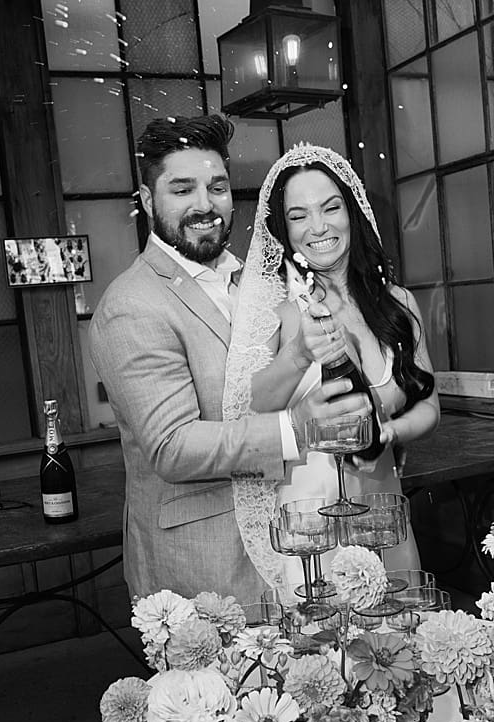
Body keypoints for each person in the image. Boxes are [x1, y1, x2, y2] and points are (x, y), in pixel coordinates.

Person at [88, 115, 370, 609]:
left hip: (292, 543)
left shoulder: (254, 281)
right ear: (148, 200)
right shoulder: (132, 304)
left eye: (217, 186)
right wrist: (296, 427)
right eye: (182, 189)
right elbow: (172, 446)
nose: (205, 205)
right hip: (204, 565)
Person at [224, 144, 441, 597]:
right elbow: (251, 408)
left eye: (330, 207)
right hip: (310, 524)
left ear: (352, 212)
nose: (318, 227)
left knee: (397, 648)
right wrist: (299, 353)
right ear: (284, 229)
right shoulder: (279, 315)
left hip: (383, 510)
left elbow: (430, 408)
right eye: (300, 216)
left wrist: (390, 434)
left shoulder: (398, 304)